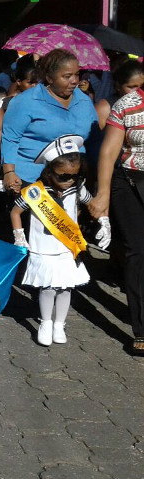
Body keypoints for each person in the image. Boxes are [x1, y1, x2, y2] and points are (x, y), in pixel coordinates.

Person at [11, 135, 110, 346]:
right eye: (63, 176)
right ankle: (46, 322)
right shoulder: (36, 192)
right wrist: (19, 237)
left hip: (67, 247)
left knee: (66, 288)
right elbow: (15, 212)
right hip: (43, 248)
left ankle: (59, 324)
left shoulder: (78, 189)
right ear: (49, 171)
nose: (69, 181)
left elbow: (93, 205)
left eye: (74, 176)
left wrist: (104, 221)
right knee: (47, 287)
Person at [91, 79, 144, 355]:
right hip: (131, 183)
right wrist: (102, 195)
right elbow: (109, 151)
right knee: (138, 251)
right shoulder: (127, 104)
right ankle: (142, 329)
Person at [2, 49, 100, 191]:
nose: (74, 81)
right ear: (49, 78)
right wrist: (9, 172)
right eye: (67, 76)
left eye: (77, 74)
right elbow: (10, 138)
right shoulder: (26, 100)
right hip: (32, 181)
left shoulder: (84, 101)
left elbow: (95, 140)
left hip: (74, 179)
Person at [95, 60, 144, 129]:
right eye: (132, 87)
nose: (137, 91)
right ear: (118, 86)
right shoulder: (104, 108)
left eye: (141, 86)